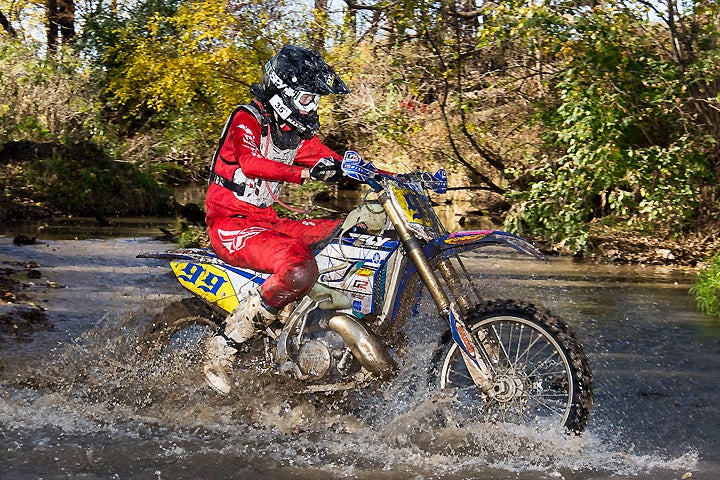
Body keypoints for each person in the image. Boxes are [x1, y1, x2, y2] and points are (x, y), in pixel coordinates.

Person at [203, 45, 351, 395]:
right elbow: (251, 163)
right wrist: (304, 175)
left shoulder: (294, 135)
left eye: (316, 100)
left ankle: (320, 328)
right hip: (230, 225)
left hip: (267, 221)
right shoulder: (247, 119)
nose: (313, 107)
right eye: (307, 98)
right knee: (299, 268)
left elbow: (339, 161)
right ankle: (224, 346)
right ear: (282, 94)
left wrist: (400, 177)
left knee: (349, 231)